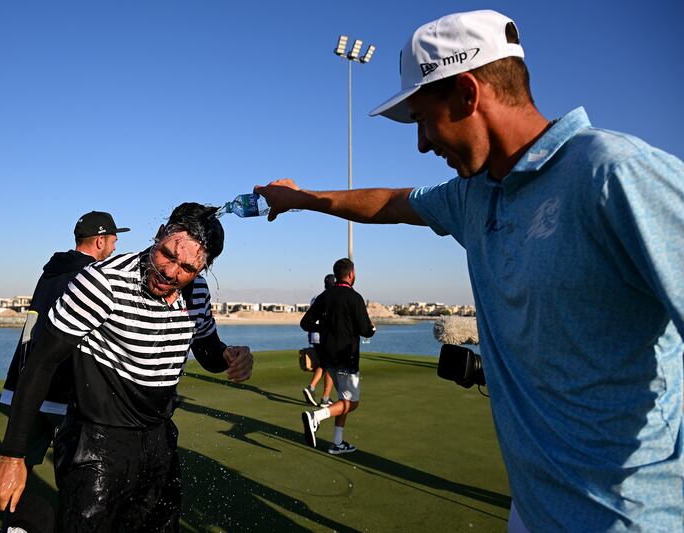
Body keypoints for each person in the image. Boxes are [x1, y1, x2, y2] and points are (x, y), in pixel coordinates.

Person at [256, 9, 684, 531]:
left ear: (467, 93)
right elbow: (387, 202)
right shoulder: (474, 196)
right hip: (531, 511)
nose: (420, 144)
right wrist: (300, 199)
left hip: (632, 520)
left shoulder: (615, 175)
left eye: (421, 119)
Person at [0, 203, 253, 532]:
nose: (170, 272)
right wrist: (12, 455)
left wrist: (228, 355)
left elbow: (207, 350)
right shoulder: (101, 282)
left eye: (187, 268)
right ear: (160, 234)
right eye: (167, 254)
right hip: (95, 441)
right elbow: (41, 363)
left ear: (204, 267)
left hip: (159, 440)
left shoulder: (196, 292)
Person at [0, 211, 129, 533]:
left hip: (27, 385)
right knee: (88, 472)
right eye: (113, 238)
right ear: (99, 240)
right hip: (64, 387)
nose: (116, 243)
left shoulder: (52, 271)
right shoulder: (94, 275)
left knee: (11, 466)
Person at [300, 259, 375, 455]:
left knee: (343, 398)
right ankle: (316, 417)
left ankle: (337, 442)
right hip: (346, 356)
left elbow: (305, 323)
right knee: (352, 402)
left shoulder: (325, 296)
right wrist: (372, 329)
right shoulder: (355, 297)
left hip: (327, 356)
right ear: (351, 274)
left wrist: (323, 328)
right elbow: (365, 330)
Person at [302, 273, 336, 408]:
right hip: (325, 336)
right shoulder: (332, 298)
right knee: (330, 365)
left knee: (324, 364)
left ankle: (313, 389)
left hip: (314, 336)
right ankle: (325, 398)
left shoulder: (316, 298)